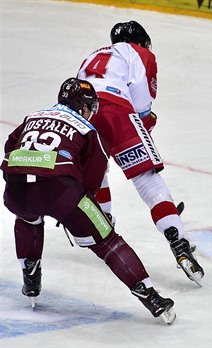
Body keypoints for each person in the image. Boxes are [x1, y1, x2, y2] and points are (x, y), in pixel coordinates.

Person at [1, 78, 176, 324]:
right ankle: (151, 297)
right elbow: (93, 179)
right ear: (83, 106)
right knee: (109, 242)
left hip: (16, 186)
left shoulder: (33, 116)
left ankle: (30, 278)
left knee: (28, 216)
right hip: (61, 191)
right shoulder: (86, 128)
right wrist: (79, 209)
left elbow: (10, 146)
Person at [76, 20, 203, 284]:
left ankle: (103, 221)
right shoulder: (140, 53)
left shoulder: (93, 55)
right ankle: (177, 239)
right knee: (147, 180)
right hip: (117, 112)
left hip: (83, 116)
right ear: (141, 40)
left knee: (98, 171)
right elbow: (142, 101)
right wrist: (144, 123)